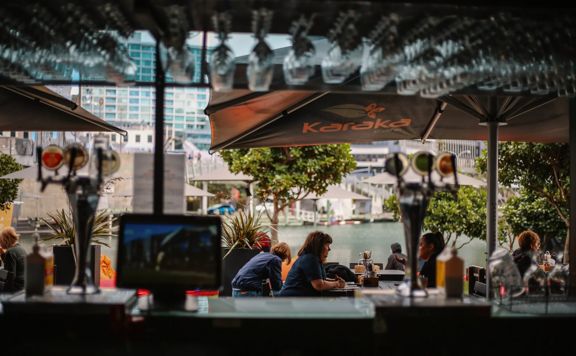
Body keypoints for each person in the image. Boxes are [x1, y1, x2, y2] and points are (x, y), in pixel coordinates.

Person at [279, 231, 345, 297]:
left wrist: (333, 281)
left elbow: (317, 278)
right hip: (292, 300)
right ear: (319, 246)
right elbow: (319, 285)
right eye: (327, 245)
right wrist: (337, 284)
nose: (329, 249)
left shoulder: (311, 258)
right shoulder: (310, 259)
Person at [0, 227, 26, 292]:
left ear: (6, 240)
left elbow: (10, 276)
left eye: (0, 241)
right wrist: (3, 255)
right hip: (24, 285)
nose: (0, 244)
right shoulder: (21, 249)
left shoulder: (10, 252)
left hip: (16, 287)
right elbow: (13, 267)